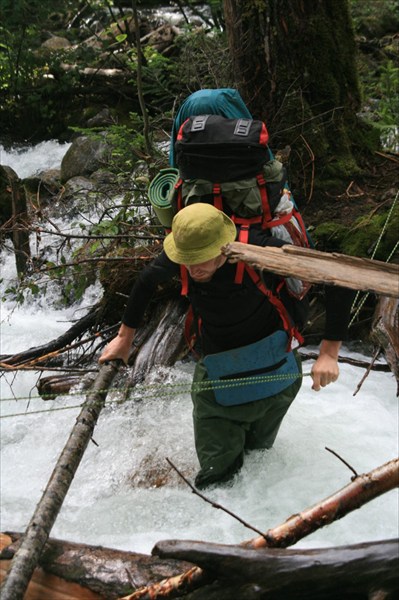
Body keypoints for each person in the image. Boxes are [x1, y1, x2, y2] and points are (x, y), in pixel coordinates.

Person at [99, 203, 353, 489]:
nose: (194, 268)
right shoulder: (181, 253)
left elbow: (337, 277)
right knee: (219, 483)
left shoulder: (259, 249)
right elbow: (146, 281)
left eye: (202, 258)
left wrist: (329, 353)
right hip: (220, 384)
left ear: (224, 247)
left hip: (276, 376)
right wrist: (124, 338)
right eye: (187, 260)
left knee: (256, 465)